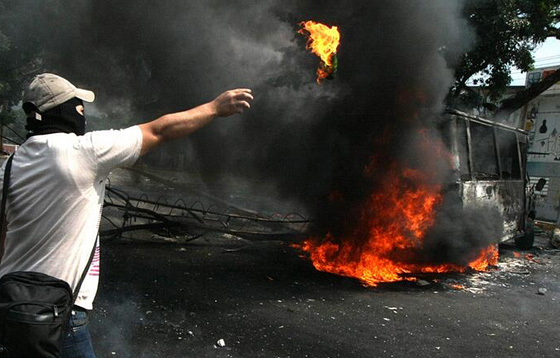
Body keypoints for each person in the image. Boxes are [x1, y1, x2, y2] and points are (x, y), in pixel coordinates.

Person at [0, 73, 253, 357]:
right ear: (63, 110)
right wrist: (215, 108)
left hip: (11, 308)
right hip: (59, 313)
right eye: (78, 106)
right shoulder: (83, 152)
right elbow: (158, 131)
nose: (83, 113)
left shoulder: (11, 165)